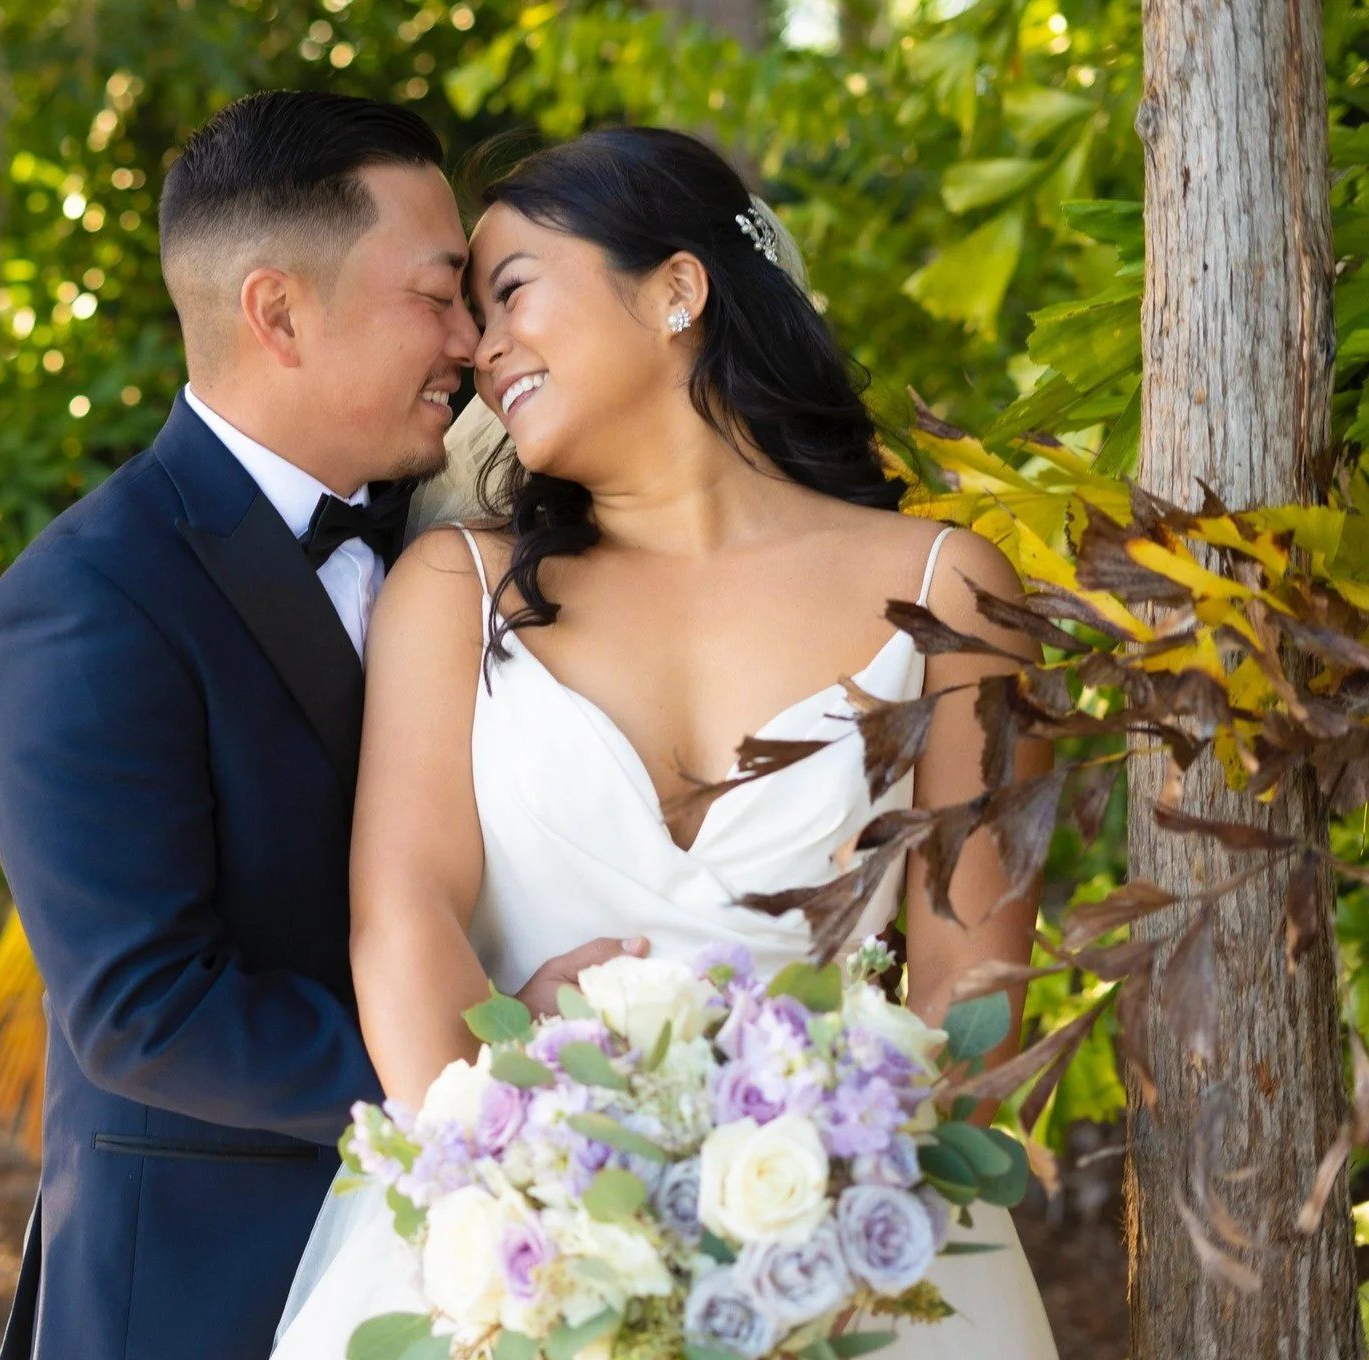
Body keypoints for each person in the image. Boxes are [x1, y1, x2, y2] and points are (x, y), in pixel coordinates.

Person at [270, 126, 1060, 1358]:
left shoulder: (952, 591)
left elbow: (975, 1003)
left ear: (677, 287)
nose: (478, 351)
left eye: (512, 290)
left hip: (855, 1248)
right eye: (472, 316)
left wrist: (807, 1223)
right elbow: (404, 915)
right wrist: (527, 1211)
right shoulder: (453, 588)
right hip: (515, 1260)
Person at [0, 92, 638, 1360]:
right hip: (209, 1286)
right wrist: (491, 1058)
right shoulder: (88, 599)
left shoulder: (468, 545)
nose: (470, 342)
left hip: (491, 1270)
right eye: (437, 296)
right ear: (276, 310)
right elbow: (145, 1008)